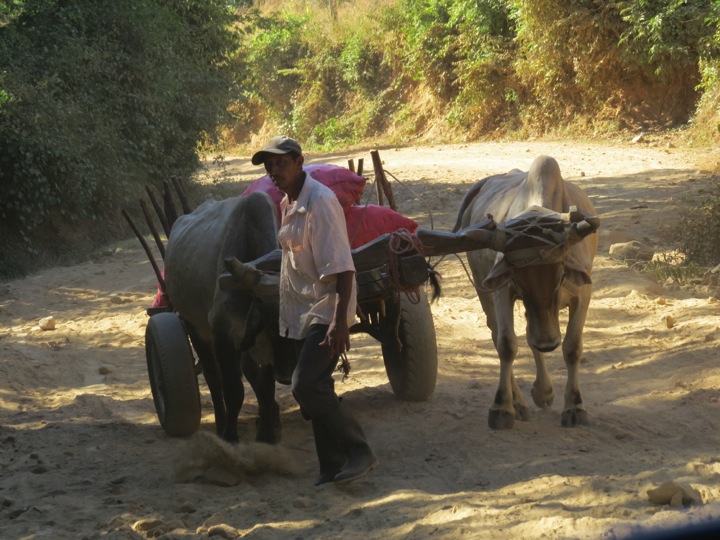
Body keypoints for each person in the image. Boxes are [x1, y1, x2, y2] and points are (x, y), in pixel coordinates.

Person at [251, 135, 378, 485]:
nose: (274, 171)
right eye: (269, 165)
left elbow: (343, 267)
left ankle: (359, 450)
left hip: (326, 309)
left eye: (281, 163)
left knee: (304, 385)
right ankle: (330, 467)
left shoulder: (320, 202)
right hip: (301, 311)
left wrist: (339, 322)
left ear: (299, 163)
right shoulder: (287, 203)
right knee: (318, 386)